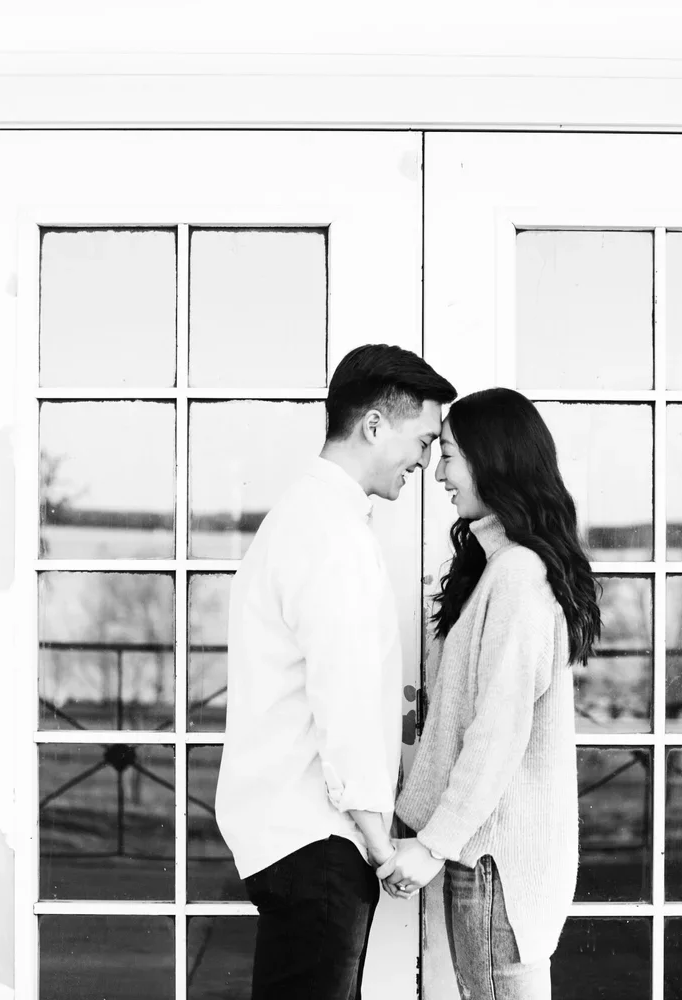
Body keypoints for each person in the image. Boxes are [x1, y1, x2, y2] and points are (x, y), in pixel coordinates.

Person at [215, 343, 457, 1000]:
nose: (428, 463)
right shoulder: (331, 536)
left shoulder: (310, 518)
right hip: (317, 843)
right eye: (424, 440)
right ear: (374, 425)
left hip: (292, 837)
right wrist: (380, 843)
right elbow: (342, 694)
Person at [390, 387, 601, 1000]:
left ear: (492, 460)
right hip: (493, 856)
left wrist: (434, 844)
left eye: (449, 455)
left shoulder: (517, 577)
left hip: (494, 862)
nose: (438, 474)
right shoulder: (500, 567)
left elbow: (498, 731)